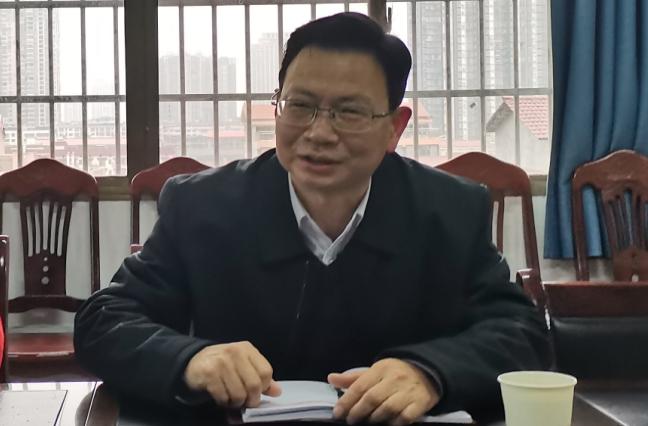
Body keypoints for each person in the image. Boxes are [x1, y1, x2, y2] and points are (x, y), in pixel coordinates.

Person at [74, 12, 550, 425]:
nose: (319, 133)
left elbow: (522, 333)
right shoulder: (203, 206)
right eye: (300, 106)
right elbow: (103, 321)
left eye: (350, 112)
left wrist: (430, 372)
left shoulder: (448, 210)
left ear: (394, 127)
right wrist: (189, 359)